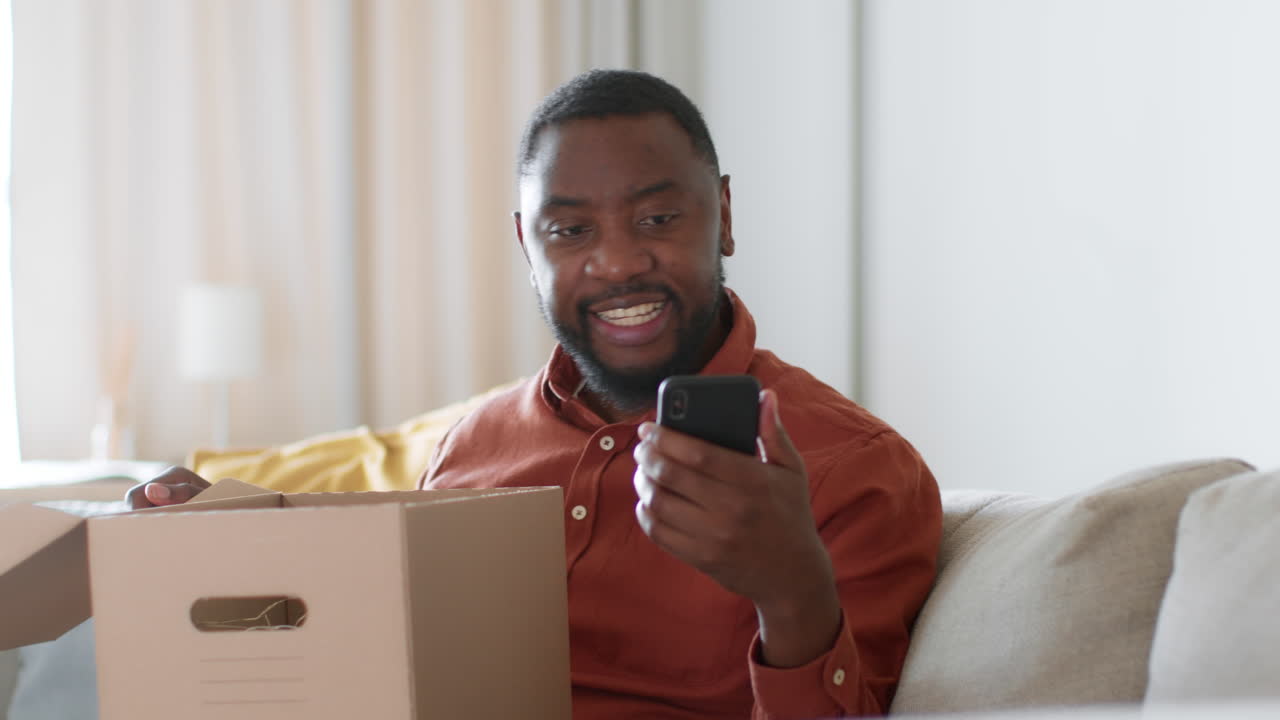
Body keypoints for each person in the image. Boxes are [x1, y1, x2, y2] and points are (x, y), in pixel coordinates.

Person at [131, 70, 942, 720]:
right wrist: (233, 560)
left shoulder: (859, 471)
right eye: (571, 230)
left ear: (723, 216)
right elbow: (385, 665)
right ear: (527, 245)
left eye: (658, 218)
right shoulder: (473, 442)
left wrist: (791, 590)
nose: (619, 262)